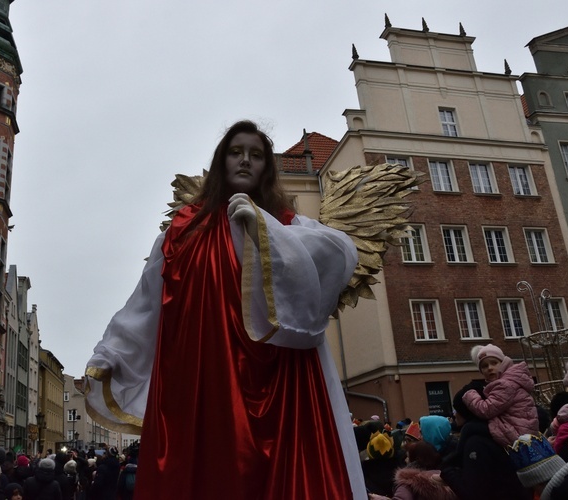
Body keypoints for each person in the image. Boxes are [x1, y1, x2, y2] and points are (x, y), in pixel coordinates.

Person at [84, 120, 363, 499]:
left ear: (267, 166)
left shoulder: (287, 223)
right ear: (221, 162)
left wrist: (264, 229)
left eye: (256, 155)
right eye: (236, 152)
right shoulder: (181, 231)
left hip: (279, 379)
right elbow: (147, 301)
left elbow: (338, 252)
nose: (245, 161)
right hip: (202, 373)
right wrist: (112, 352)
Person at [439, 383, 531, 500]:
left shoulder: (476, 442)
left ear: (466, 411)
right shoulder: (495, 433)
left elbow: (475, 493)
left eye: (456, 409)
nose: (454, 414)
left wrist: (448, 472)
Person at [462, 344, 539, 447]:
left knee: (471, 429)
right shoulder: (510, 380)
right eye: (484, 366)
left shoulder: (505, 384)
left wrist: (470, 395)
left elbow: (486, 410)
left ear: (503, 363)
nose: (490, 368)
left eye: (494, 363)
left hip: (517, 434)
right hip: (521, 431)